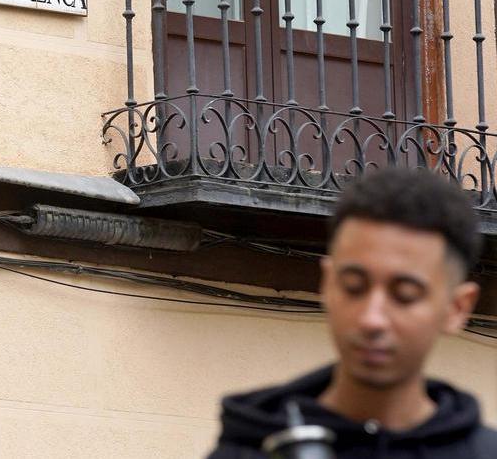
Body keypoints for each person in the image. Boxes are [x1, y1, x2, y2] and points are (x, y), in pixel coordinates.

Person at [208, 168, 497, 458]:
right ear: (327, 282)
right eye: (353, 287)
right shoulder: (249, 448)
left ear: (457, 308)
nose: (371, 319)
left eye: (405, 296)